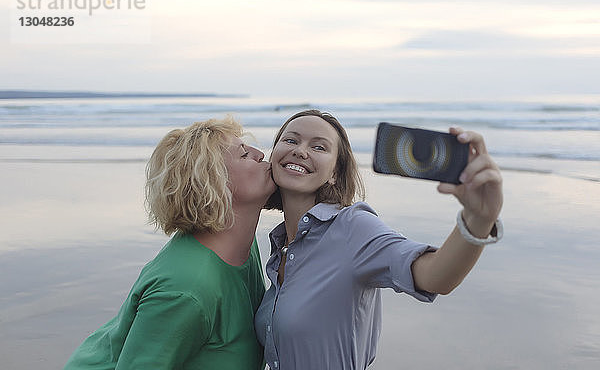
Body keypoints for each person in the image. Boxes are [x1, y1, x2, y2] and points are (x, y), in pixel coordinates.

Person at [255, 109, 503, 370]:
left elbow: (434, 275)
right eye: (291, 140)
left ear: (334, 174)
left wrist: (479, 220)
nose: (301, 151)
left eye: (318, 146)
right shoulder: (280, 247)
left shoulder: (353, 227)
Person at [64, 116, 276, 369]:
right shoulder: (186, 288)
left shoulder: (240, 245)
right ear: (214, 183)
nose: (260, 154)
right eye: (243, 154)